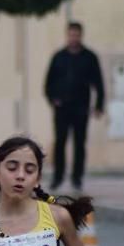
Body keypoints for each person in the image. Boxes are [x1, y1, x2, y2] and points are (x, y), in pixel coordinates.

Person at [43, 22, 105, 191]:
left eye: (76, 35)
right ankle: (58, 177)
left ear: (81, 36)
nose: (73, 38)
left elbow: (98, 83)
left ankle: (77, 178)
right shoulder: (58, 57)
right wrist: (53, 98)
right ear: (67, 35)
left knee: (79, 144)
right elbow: (48, 83)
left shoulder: (89, 57)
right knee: (60, 142)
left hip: (81, 107)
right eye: (71, 35)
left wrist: (99, 105)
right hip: (62, 108)